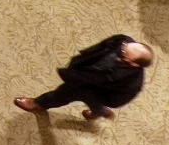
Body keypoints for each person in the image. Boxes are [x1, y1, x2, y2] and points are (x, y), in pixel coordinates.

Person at [13, 35, 151, 119]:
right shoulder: (123, 41)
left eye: (124, 52)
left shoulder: (130, 83)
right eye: (125, 46)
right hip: (87, 73)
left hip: (94, 89)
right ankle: (98, 111)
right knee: (92, 102)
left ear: (133, 63)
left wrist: (84, 85)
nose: (122, 47)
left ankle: (38, 104)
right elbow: (101, 46)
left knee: (63, 94)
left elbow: (117, 100)